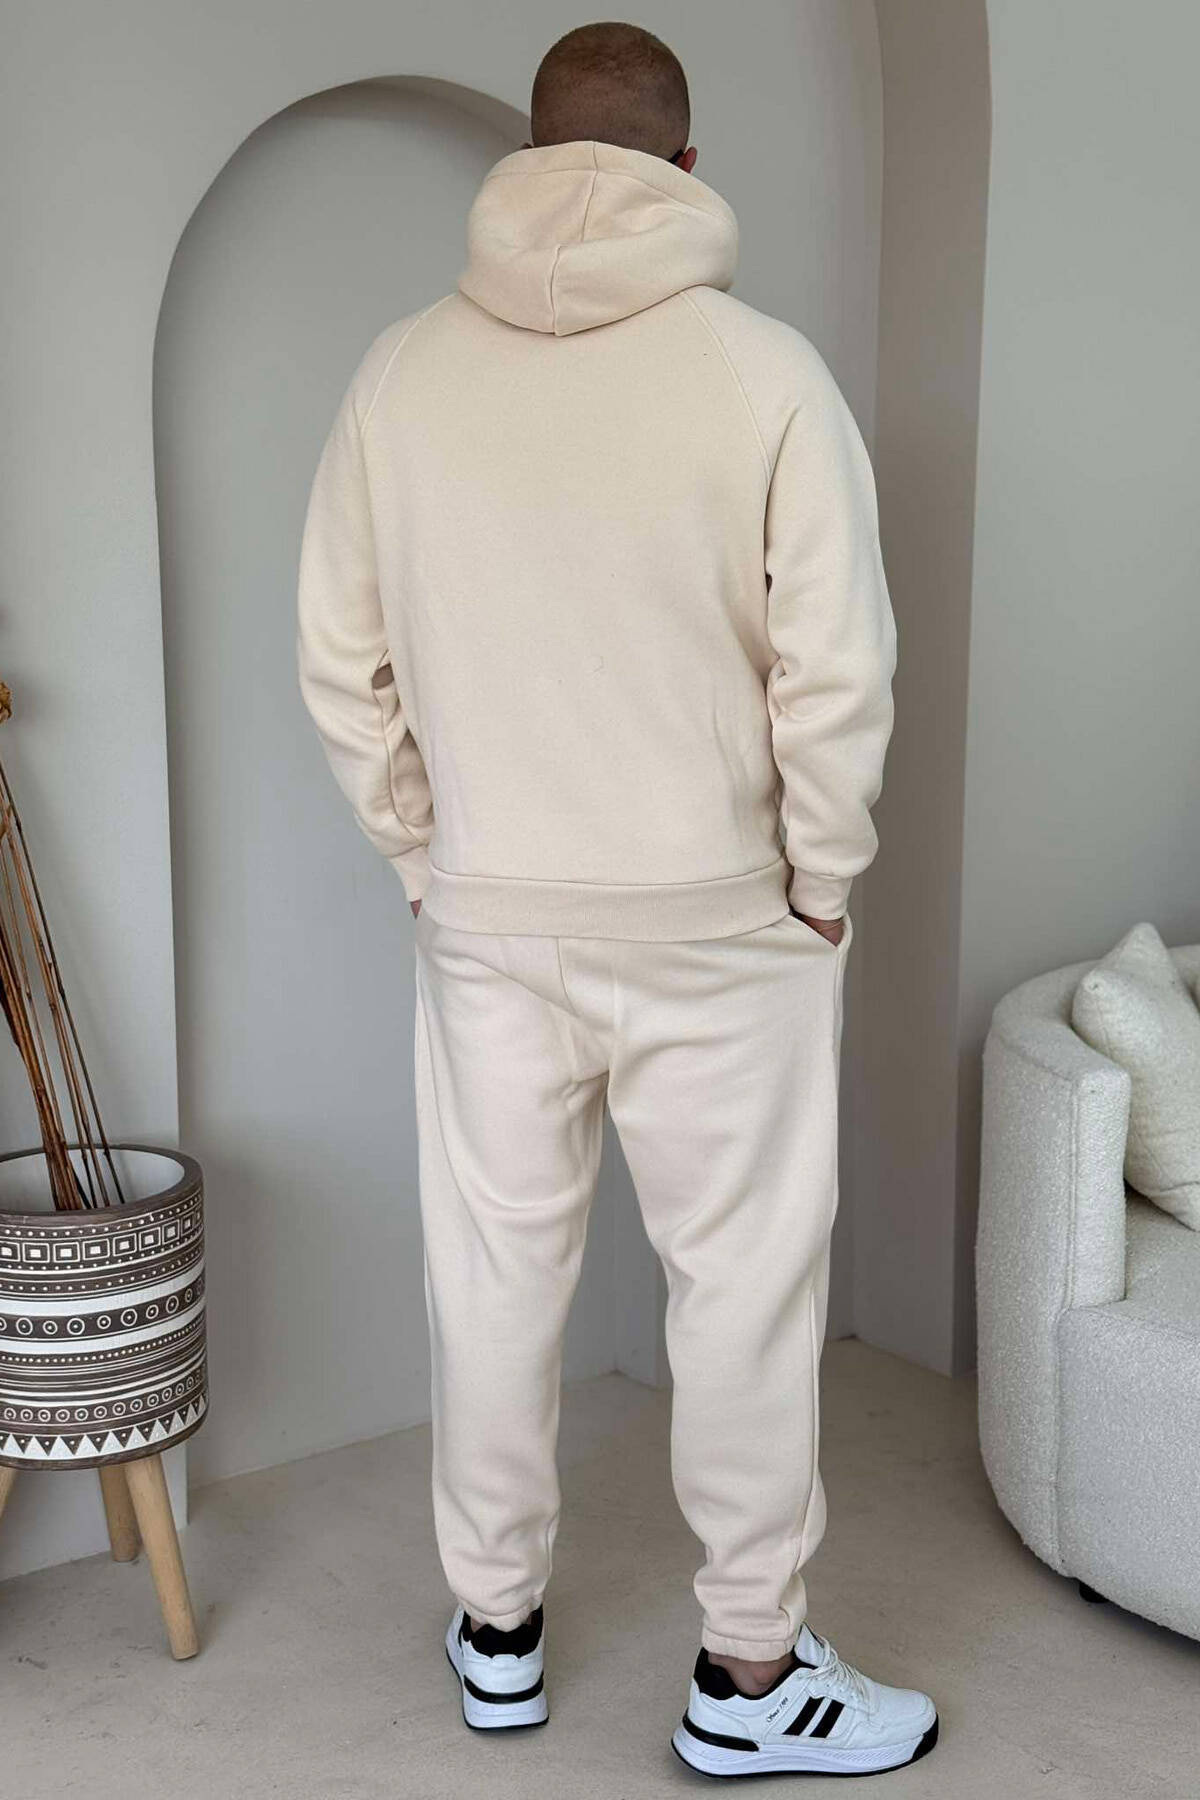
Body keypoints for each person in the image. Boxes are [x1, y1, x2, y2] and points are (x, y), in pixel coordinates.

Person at [297, 19, 937, 1780]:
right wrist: (822, 881)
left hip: (494, 923)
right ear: (686, 169)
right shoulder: (768, 374)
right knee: (743, 1295)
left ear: (524, 160)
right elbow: (837, 672)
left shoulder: (400, 375)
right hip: (724, 922)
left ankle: (496, 1632)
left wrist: (426, 856)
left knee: (492, 1278)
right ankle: (750, 1676)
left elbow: (341, 660)